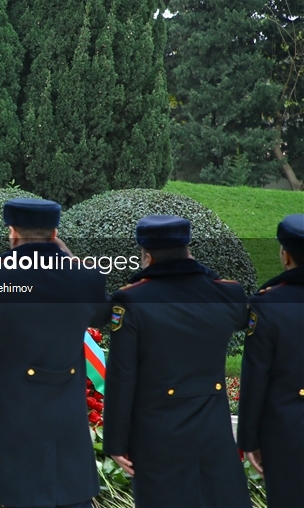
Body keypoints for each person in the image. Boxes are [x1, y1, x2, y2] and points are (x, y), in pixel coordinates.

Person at [0, 198, 110, 508]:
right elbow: (102, 317)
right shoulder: (84, 278)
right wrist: (72, 262)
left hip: (13, 415)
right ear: (55, 233)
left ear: (12, 233)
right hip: (66, 414)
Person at [104, 215, 250, 508]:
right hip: (213, 431)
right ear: (188, 249)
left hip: (157, 433)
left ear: (146, 255)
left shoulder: (131, 301)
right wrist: (197, 271)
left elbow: (122, 376)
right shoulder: (225, 293)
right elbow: (238, 316)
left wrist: (116, 442)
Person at [237, 213, 304, 508]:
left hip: (287, 433)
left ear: (285, 256)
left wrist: (249, 439)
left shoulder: (268, 306)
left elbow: (255, 376)